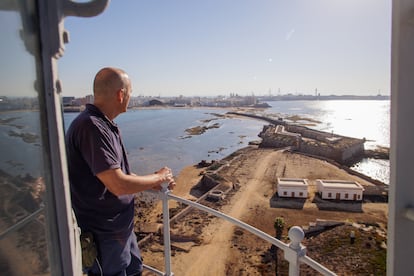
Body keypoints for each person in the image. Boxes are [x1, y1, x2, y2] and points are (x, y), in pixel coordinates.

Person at [65, 67, 175, 276]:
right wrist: (160, 176)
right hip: (103, 236)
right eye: (130, 92)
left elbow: (119, 174)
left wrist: (153, 182)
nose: (131, 98)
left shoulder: (104, 125)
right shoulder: (92, 127)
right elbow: (118, 185)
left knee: (134, 270)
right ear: (120, 94)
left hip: (120, 231)